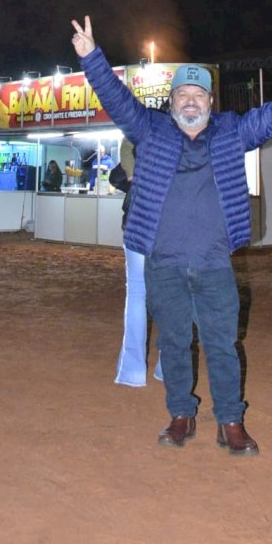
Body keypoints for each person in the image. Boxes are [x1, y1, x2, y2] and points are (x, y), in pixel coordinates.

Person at [72, 14, 272, 456]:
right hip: (164, 261)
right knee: (174, 342)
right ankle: (181, 413)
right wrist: (91, 58)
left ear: (210, 101)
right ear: (171, 101)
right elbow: (116, 100)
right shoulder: (150, 130)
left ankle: (230, 421)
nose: (190, 101)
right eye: (182, 94)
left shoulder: (232, 132)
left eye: (198, 94)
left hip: (214, 262)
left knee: (222, 345)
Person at [110, 152, 163, 388]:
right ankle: (168, 367)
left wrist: (132, 169)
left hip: (139, 221)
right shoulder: (183, 135)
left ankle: (132, 371)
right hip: (171, 224)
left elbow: (119, 174)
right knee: (173, 295)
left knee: (137, 294)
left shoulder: (142, 129)